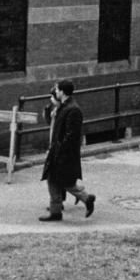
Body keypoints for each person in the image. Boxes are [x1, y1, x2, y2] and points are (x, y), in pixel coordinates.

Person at [39, 79, 96, 222]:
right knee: (55, 180)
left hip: (65, 154)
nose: (55, 92)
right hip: (57, 151)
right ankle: (56, 211)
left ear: (63, 92)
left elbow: (71, 136)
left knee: (64, 182)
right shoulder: (64, 107)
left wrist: (59, 149)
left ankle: (86, 199)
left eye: (57, 89)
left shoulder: (73, 110)